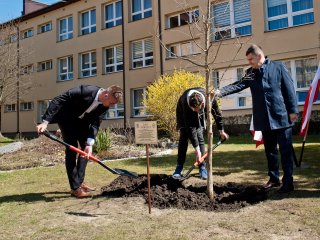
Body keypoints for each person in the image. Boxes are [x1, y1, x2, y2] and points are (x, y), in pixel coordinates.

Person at [214, 44, 298, 193]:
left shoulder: (278, 67)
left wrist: (293, 110)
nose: (249, 62)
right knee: (270, 151)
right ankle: (274, 179)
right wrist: (220, 92)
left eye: (251, 59)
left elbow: (289, 88)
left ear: (259, 56)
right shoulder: (251, 73)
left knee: (285, 151)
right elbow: (238, 85)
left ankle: (288, 182)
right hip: (264, 119)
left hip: (282, 117)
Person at [36, 85, 123, 198]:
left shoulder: (104, 106)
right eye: (112, 103)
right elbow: (58, 99)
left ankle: (79, 182)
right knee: (71, 150)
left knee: (85, 151)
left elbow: (96, 124)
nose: (111, 106)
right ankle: (75, 188)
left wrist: (89, 144)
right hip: (66, 120)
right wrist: (45, 122)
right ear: (106, 95)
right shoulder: (85, 90)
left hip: (82, 123)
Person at [172, 87, 229, 180]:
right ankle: (179, 168)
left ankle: (202, 167)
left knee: (200, 137)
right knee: (184, 137)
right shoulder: (186, 104)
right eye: (193, 109)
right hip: (182, 113)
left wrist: (221, 131)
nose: (194, 111)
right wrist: (197, 150)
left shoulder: (210, 98)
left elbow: (217, 113)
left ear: (202, 104)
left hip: (201, 108)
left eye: (196, 109)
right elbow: (190, 128)